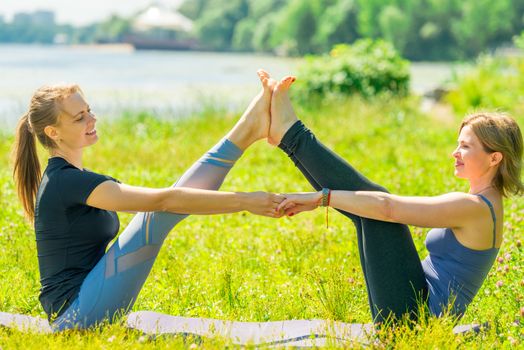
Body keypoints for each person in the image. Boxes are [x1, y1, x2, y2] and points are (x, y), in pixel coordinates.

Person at [12, 72, 284, 331]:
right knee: (158, 212)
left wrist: (249, 200)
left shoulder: (78, 179)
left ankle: (250, 129)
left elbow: (167, 199)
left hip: (86, 301)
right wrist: (246, 201)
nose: (92, 119)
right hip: (72, 315)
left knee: (159, 210)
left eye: (89, 110)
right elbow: (166, 201)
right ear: (53, 132)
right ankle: (248, 130)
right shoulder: (67, 182)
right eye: (79, 117)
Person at [261, 70, 523, 324]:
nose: (455, 153)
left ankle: (290, 134)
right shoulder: (484, 202)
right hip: (412, 307)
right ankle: (288, 136)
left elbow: (388, 209)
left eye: (465, 147)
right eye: (458, 144)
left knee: (380, 207)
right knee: (370, 211)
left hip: (415, 319)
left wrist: (321, 198)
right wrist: (322, 198)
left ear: (495, 158)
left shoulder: (474, 207)